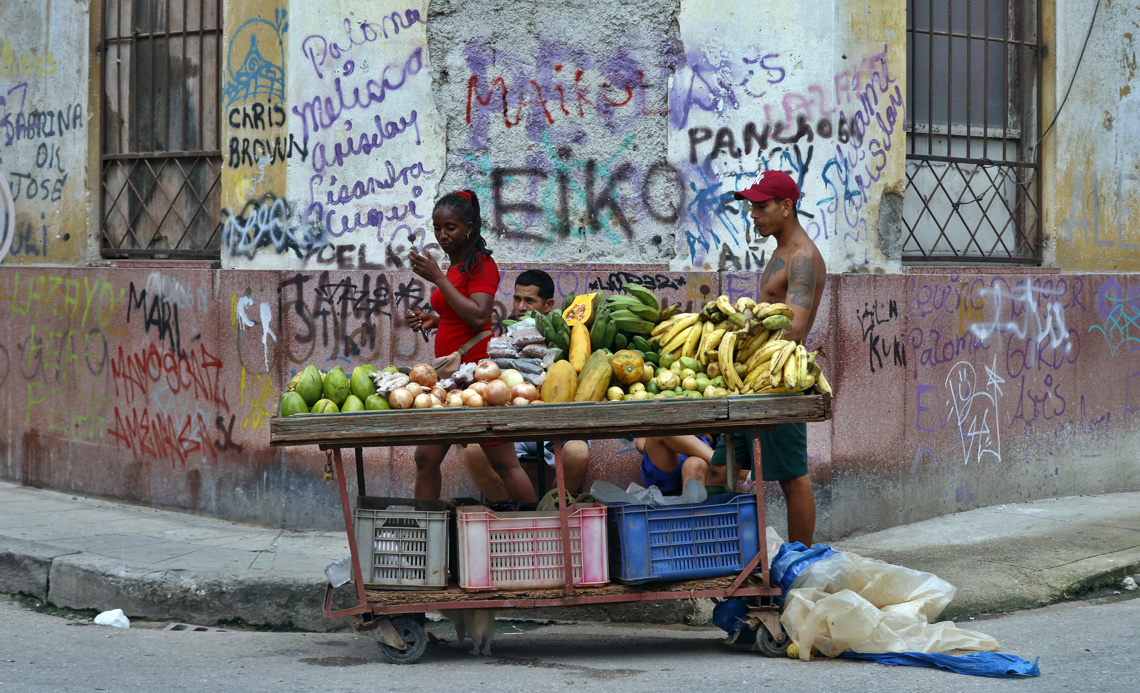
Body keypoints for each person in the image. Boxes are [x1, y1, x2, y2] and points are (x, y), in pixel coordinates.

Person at [405, 190, 536, 502]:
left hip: (478, 378)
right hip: (450, 381)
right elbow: (459, 312)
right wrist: (434, 320)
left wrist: (438, 278)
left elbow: (479, 317)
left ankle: (537, 534)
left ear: (468, 227)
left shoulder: (481, 265)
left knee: (504, 464)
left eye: (450, 227)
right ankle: (427, 540)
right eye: (437, 228)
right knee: (425, 458)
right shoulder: (453, 266)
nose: (442, 235)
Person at [727, 170, 827, 546]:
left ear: (786, 207)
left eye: (761, 205)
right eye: (751, 205)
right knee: (720, 466)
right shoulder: (780, 252)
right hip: (752, 378)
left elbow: (794, 329)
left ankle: (801, 558)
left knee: (791, 476)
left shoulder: (802, 257)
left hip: (779, 377)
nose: (754, 213)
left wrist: (748, 345)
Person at [464, 269, 591, 497]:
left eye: (529, 300)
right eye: (517, 298)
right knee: (474, 449)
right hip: (513, 427)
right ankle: (510, 510)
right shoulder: (505, 339)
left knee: (579, 452)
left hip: (557, 426)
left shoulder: (567, 338)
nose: (521, 306)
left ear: (548, 304)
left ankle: (552, 509)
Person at [635, 435, 715, 495]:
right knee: (662, 429)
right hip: (666, 463)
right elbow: (641, 445)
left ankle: (692, 514)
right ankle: (716, 459)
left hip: (700, 453)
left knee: (694, 464)